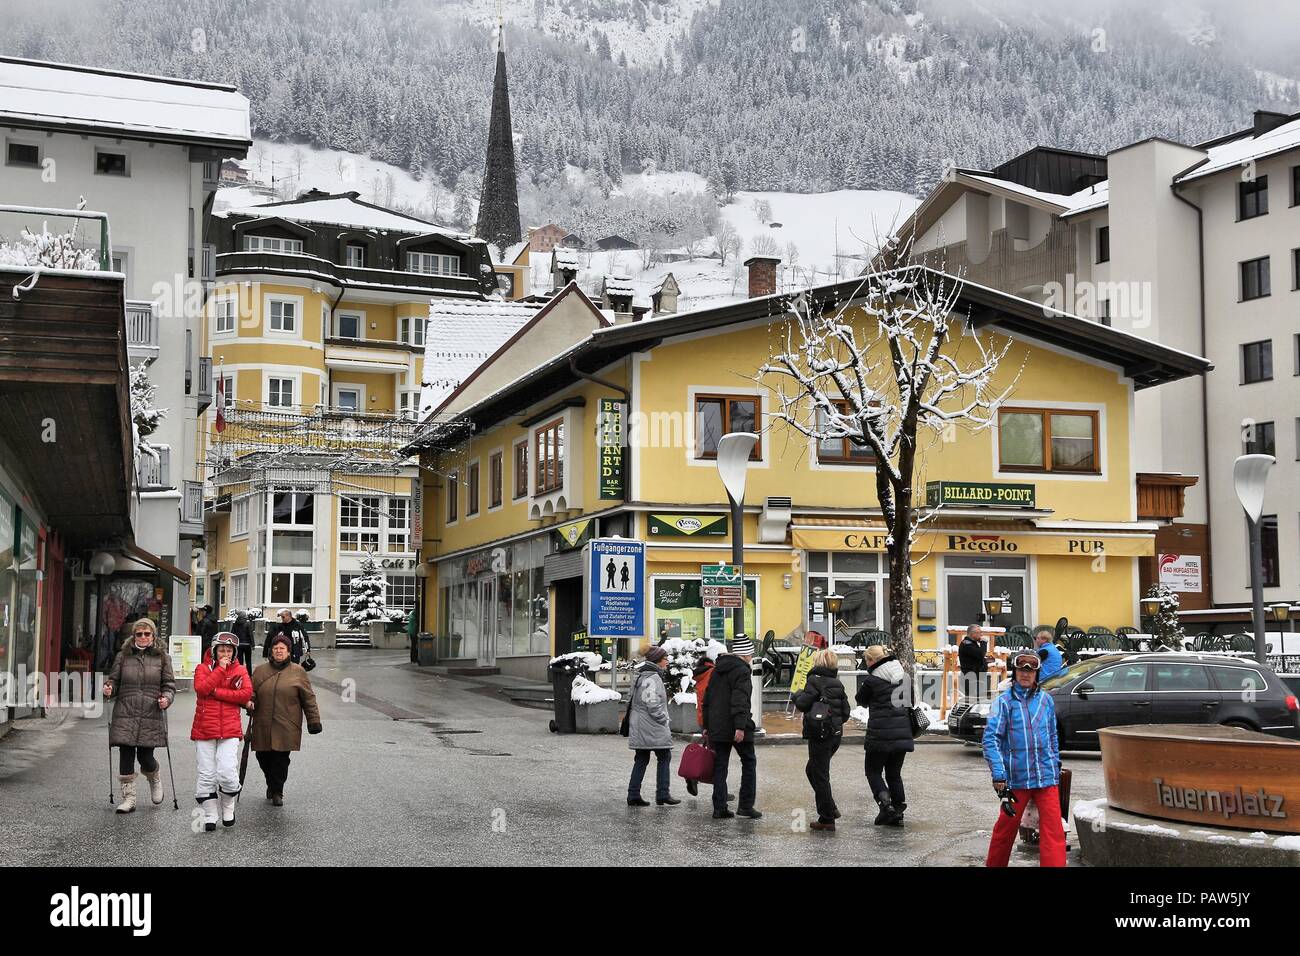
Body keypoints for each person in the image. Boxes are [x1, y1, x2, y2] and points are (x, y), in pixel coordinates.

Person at [982, 650, 1065, 867]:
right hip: (1016, 780)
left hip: (1045, 777)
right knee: (1005, 830)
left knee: (1054, 831)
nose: (1026, 674)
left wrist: (1055, 766)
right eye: (1021, 669)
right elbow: (991, 740)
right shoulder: (1002, 703)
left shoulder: (1046, 701)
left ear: (1037, 673)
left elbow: (1053, 736)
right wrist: (999, 774)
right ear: (1014, 672)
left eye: (1031, 670)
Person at [103, 618, 175, 813]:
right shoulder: (123, 656)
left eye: (147, 634)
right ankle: (129, 799)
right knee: (125, 753)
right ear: (133, 636)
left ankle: (154, 777)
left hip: (150, 712)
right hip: (125, 711)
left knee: (145, 757)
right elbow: (114, 680)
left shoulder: (162, 657)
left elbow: (169, 685)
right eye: (139, 634)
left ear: (153, 635)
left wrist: (166, 699)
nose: (143, 637)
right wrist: (110, 688)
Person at [249, 632, 322, 806]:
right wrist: (249, 701)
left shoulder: (298, 672)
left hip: (286, 724)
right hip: (263, 723)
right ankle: (271, 782)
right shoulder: (260, 671)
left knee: (281, 759)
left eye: (282, 648)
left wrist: (314, 721)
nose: (279, 651)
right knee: (263, 756)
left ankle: (277, 791)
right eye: (275, 648)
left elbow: (308, 698)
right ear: (271, 651)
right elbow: (250, 692)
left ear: (289, 652)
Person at [191, 631, 253, 830]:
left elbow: (245, 695)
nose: (225, 654)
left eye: (229, 650)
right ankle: (210, 815)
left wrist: (216, 692)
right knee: (206, 774)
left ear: (234, 652)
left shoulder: (241, 670)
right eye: (221, 650)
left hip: (230, 728)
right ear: (214, 650)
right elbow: (201, 689)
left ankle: (228, 808)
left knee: (227, 771)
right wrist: (220, 671)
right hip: (204, 727)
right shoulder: (202, 668)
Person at [792, 647, 851, 831]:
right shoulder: (837, 683)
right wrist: (835, 722)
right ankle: (830, 808)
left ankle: (826, 818)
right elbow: (846, 712)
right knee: (813, 770)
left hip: (820, 735)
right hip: (834, 735)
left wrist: (797, 695)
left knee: (820, 775)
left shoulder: (814, 680)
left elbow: (803, 704)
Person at [856, 643, 915, 826]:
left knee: (873, 771)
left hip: (879, 735)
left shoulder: (872, 681)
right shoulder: (903, 677)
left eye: (866, 660)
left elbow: (861, 700)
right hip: (902, 733)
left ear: (872, 660)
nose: (866, 664)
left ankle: (886, 806)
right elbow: (911, 701)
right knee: (894, 773)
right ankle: (898, 810)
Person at [703, 635, 760, 820]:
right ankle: (745, 806)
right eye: (750, 654)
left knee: (720, 766)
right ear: (745, 655)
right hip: (735, 725)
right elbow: (740, 700)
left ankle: (719, 808)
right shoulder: (742, 671)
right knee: (749, 762)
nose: (751, 658)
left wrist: (706, 725)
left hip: (717, 726)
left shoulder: (717, 669)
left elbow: (707, 700)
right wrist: (740, 727)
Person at [626, 646, 679, 807]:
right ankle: (662, 794)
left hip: (641, 723)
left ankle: (633, 794)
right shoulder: (652, 677)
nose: (667, 662)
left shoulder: (642, 674)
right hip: (652, 724)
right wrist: (663, 719)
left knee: (642, 758)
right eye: (665, 659)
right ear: (657, 661)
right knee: (664, 756)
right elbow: (652, 703)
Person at [957, 624, 989, 700]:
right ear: (973, 633)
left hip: (976, 678)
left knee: (978, 702)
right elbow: (981, 654)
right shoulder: (966, 644)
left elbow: (977, 657)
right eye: (979, 632)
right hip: (971, 679)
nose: (981, 635)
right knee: (972, 702)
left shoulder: (972, 643)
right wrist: (983, 642)